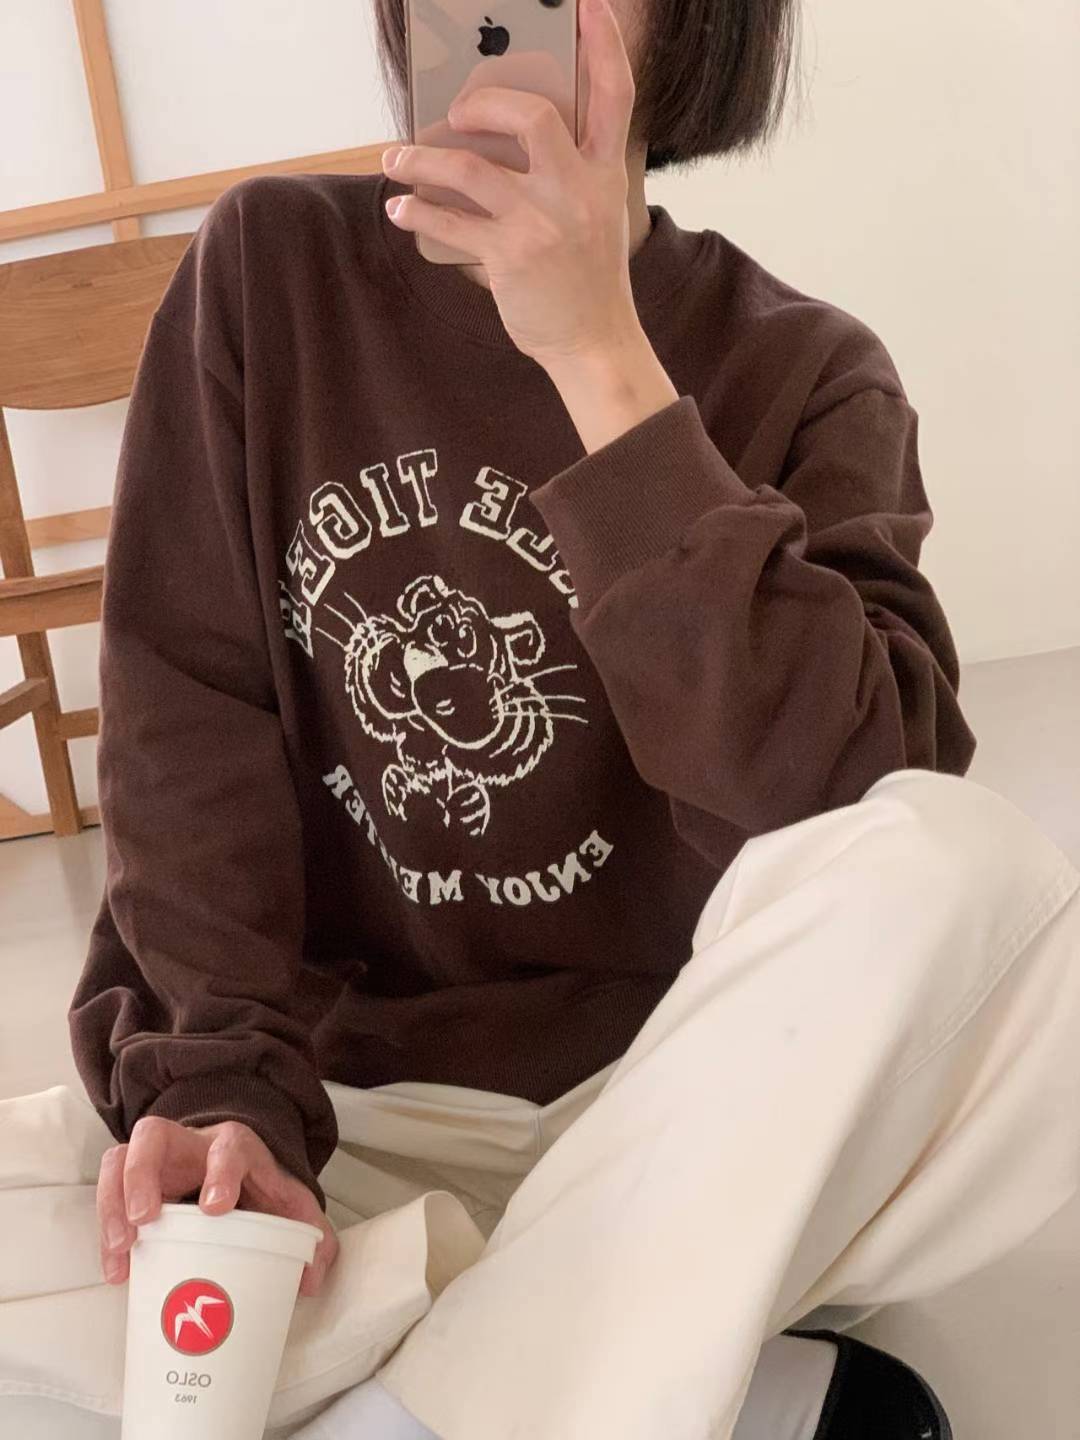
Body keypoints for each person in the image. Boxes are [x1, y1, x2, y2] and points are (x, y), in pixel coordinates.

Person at [67, 1, 1080, 1437]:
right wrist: (227, 1093)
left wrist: (602, 357)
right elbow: (184, 720)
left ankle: (438, 1382)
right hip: (350, 1118)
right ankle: (643, 1362)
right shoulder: (270, 270)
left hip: (690, 1113)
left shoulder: (808, 368)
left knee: (977, 876)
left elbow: (846, 817)